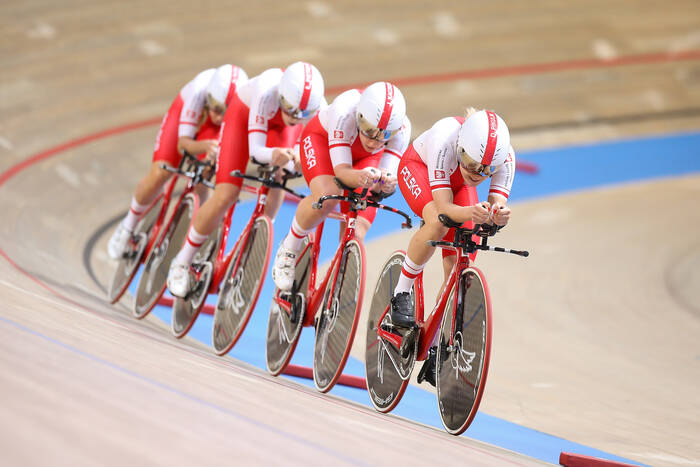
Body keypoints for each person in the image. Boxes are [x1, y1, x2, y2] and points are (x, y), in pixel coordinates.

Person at [166, 61, 326, 298]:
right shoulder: (265, 92)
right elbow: (255, 152)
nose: (296, 117)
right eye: (291, 109)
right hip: (242, 119)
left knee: (280, 175)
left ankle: (258, 236)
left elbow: (312, 152)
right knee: (227, 193)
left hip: (278, 128)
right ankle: (182, 260)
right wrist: (276, 154)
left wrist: (295, 158)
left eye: (304, 113)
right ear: (281, 96)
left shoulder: (317, 108)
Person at [390, 108, 516, 386]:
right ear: (461, 149)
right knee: (438, 222)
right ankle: (400, 292)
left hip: (456, 187)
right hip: (420, 169)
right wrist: (473, 212)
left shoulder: (505, 158)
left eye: (487, 170)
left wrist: (498, 217)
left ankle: (437, 339)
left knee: (465, 253)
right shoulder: (445, 137)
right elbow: (446, 209)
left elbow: (497, 206)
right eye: (471, 163)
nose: (478, 174)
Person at [271, 82, 411, 292]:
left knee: (359, 228)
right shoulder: (344, 110)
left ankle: (337, 287)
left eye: (383, 137)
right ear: (359, 117)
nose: (374, 142)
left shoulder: (401, 130)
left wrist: (387, 184)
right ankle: (289, 248)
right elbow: (342, 173)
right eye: (368, 131)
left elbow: (386, 179)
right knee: (328, 196)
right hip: (323, 143)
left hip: (364, 160)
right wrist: (366, 178)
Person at [107, 64, 248, 260]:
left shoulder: (241, 106)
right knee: (161, 172)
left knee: (205, 177)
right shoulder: (198, 91)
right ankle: (127, 226)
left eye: (224, 112)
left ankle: (193, 244)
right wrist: (206, 146)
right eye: (215, 108)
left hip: (215, 131)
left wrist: (214, 154)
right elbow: (183, 145)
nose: (218, 116)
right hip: (185, 116)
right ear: (209, 98)